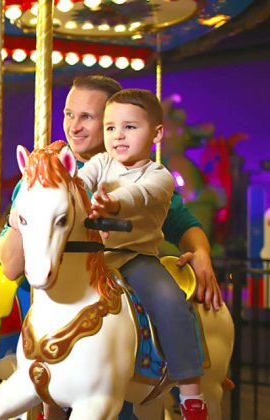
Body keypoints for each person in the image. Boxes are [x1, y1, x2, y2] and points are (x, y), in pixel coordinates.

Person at [0, 75, 222, 420]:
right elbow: (12, 265)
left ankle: (188, 386)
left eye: (88, 117)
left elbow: (180, 220)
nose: (74, 127)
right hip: (52, 306)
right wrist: (38, 197)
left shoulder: (150, 174)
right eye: (69, 115)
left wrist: (202, 254)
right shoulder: (44, 183)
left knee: (166, 299)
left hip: (124, 273)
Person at [75, 88, 207, 418]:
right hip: (95, 258)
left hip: (136, 259)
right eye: (110, 128)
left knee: (169, 301)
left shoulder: (158, 175)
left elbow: (139, 195)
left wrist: (113, 204)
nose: (118, 135)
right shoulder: (100, 162)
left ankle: (190, 390)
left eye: (130, 127)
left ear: (157, 133)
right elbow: (79, 182)